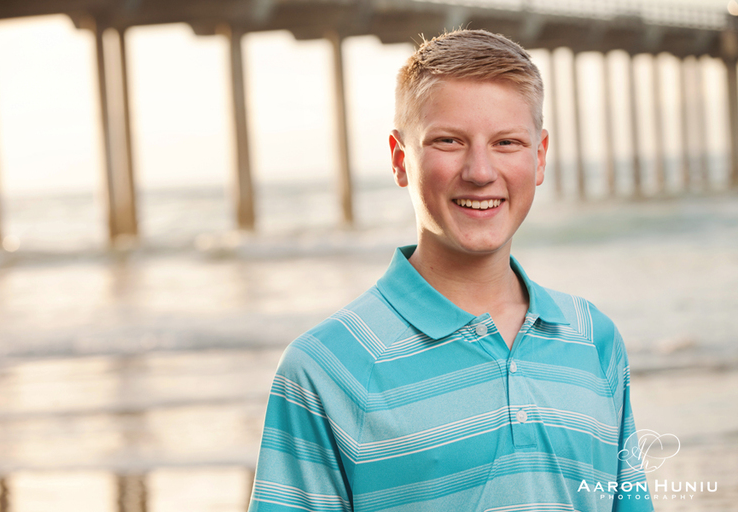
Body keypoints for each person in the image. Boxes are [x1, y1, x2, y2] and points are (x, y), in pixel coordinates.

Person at [248, 29, 652, 512]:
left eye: (506, 142)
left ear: (540, 157)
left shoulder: (593, 339)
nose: (480, 171)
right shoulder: (325, 369)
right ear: (401, 159)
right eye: (449, 141)